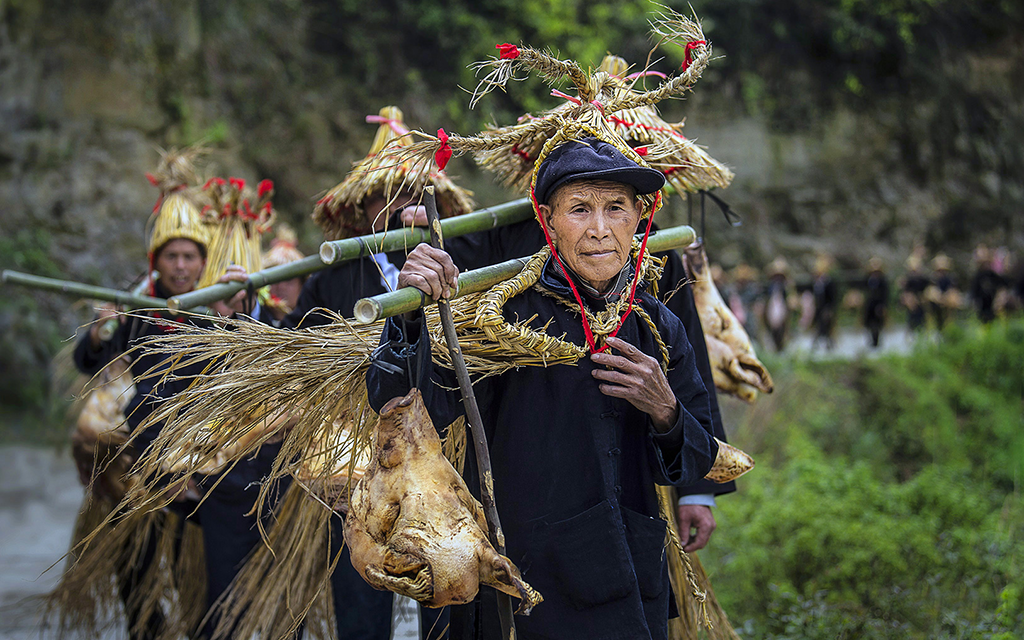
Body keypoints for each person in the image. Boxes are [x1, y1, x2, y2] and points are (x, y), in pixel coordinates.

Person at [367, 136, 718, 640]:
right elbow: (404, 403)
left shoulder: (657, 326)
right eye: (580, 209)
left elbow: (696, 460)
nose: (600, 229)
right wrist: (409, 315)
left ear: (639, 217)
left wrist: (665, 409)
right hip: (526, 588)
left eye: (616, 208)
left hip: (628, 583)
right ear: (548, 220)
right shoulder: (497, 318)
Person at [70, 151, 251, 640]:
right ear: (157, 260)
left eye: (189, 257)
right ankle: (145, 627)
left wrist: (232, 315)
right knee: (136, 561)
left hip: (198, 456)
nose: (181, 266)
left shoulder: (216, 307)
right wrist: (98, 331)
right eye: (172, 257)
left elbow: (242, 357)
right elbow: (89, 360)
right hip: (136, 457)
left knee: (197, 570)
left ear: (202, 261)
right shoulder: (135, 303)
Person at [258, 223, 307, 326]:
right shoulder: (253, 318)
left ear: (302, 285)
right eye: (275, 279)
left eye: (288, 280)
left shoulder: (314, 320)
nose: (281, 286)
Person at [971, 244, 1006, 323]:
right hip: (982, 308)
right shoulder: (977, 276)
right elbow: (974, 293)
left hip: (993, 306)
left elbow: (1002, 286)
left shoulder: (993, 275)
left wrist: (999, 299)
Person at [810, 254, 838, 351]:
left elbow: (832, 297)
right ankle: (817, 345)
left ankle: (829, 345)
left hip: (826, 308)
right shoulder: (817, 283)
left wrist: (830, 309)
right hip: (818, 308)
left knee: (826, 327)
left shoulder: (829, 282)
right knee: (818, 326)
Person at [926, 253, 958, 331]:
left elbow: (952, 290)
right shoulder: (933, 278)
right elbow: (931, 291)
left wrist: (946, 297)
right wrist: (938, 297)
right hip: (936, 303)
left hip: (947, 302)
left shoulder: (950, 278)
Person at [863, 256, 889, 348]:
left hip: (879, 304)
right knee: (869, 324)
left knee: (877, 324)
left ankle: (876, 341)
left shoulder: (882, 279)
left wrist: (884, 305)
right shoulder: (867, 278)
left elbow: (885, 293)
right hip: (870, 304)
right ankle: (871, 340)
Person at [899, 254, 929, 332]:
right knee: (911, 319)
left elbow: (927, 289)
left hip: (921, 301)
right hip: (911, 302)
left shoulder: (923, 279)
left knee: (921, 320)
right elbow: (904, 292)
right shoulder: (907, 279)